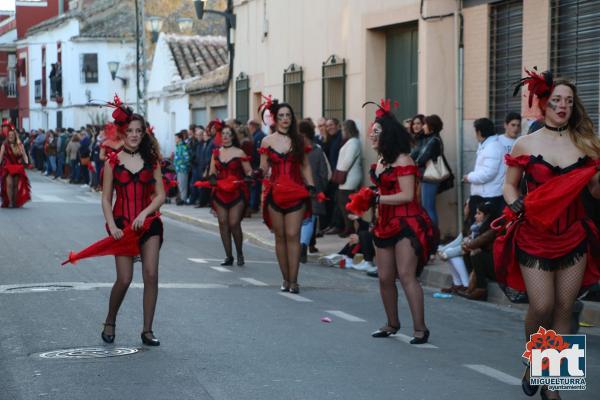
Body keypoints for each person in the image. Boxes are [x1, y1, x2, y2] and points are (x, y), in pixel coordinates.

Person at [495, 69, 600, 400]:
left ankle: (554, 386)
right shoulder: (526, 142)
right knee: (542, 305)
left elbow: (595, 193)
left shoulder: (586, 143)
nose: (563, 105)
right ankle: (533, 360)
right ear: (544, 103)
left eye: (569, 101)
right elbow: (509, 185)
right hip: (535, 234)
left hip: (573, 235)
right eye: (557, 99)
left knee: (564, 308)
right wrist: (518, 207)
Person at [364, 100, 438, 343]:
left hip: (407, 223)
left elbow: (407, 195)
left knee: (406, 275)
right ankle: (391, 323)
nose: (372, 135)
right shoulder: (382, 162)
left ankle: (420, 328)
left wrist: (377, 197)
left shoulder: (404, 160)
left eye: (376, 131)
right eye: (372, 131)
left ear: (388, 135)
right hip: (384, 223)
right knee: (385, 277)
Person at [100, 101, 165, 347]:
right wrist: (112, 226)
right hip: (122, 225)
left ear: (143, 132)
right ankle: (110, 319)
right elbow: (106, 199)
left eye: (138, 130)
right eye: (130, 131)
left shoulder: (152, 160)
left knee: (151, 274)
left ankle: (147, 330)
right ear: (122, 133)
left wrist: (146, 213)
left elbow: (161, 195)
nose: (135, 135)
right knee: (125, 279)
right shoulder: (112, 162)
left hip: (149, 223)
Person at [258, 99, 315, 294]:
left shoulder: (299, 140)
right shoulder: (267, 141)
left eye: (288, 115)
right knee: (280, 237)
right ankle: (285, 279)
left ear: (292, 118)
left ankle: (295, 280)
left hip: (296, 192)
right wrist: (257, 172)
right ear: (275, 118)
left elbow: (305, 165)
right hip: (275, 193)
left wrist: (312, 185)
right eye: (281, 116)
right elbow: (264, 166)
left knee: (293, 235)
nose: (285, 119)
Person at [205, 126, 252, 266]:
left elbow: (248, 170)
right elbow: (212, 171)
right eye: (223, 134)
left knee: (234, 223)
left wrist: (250, 177)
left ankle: (240, 253)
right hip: (220, 192)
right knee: (223, 223)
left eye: (228, 134)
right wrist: (212, 178)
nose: (225, 136)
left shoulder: (240, 152)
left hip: (236, 192)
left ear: (232, 136)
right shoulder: (216, 153)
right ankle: (228, 256)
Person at [298, 119, 330, 263]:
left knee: (300, 219)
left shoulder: (294, 151)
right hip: (315, 191)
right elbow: (325, 173)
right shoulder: (318, 150)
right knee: (309, 220)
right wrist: (320, 188)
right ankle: (304, 245)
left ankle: (301, 245)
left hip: (297, 190)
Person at [462, 118, 506, 220]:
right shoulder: (487, 145)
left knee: (481, 230)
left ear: (479, 132)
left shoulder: (492, 147)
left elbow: (488, 173)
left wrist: (469, 177)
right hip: (484, 193)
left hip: (489, 195)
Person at [456, 201, 497, 301]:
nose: (475, 216)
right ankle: (469, 287)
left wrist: (466, 244)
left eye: (479, 213)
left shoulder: (491, 229)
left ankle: (481, 289)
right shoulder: (476, 227)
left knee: (475, 253)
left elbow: (474, 243)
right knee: (468, 253)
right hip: (486, 264)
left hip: (496, 268)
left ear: (487, 216)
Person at [414, 114, 445, 227]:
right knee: (427, 207)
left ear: (431, 126)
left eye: (425, 124)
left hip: (429, 177)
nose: (423, 127)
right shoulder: (432, 139)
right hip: (428, 177)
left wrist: (416, 162)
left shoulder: (433, 141)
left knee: (428, 208)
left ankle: (433, 237)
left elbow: (422, 159)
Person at [334, 119, 362, 237]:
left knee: (345, 202)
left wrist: (339, 173)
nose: (342, 131)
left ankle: (350, 227)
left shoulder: (353, 142)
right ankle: (348, 226)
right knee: (343, 202)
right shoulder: (351, 141)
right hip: (347, 175)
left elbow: (348, 160)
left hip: (349, 176)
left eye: (344, 129)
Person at [0, 127, 31, 208]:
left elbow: (24, 155)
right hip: (7, 167)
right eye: (9, 135)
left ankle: (14, 201)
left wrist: (27, 162)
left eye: (12, 135)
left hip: (17, 167)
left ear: (15, 136)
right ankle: (10, 202)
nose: (10, 136)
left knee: (15, 185)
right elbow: (0, 156)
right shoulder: (4, 145)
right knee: (9, 184)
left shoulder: (20, 145)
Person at [174, 131, 191, 205]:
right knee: (180, 184)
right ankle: (181, 198)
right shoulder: (178, 146)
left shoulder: (183, 146)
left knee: (183, 185)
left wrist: (181, 164)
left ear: (180, 139)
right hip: (178, 169)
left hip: (183, 169)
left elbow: (187, 158)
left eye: (176, 138)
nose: (175, 139)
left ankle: (183, 199)